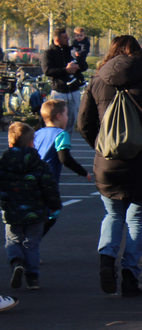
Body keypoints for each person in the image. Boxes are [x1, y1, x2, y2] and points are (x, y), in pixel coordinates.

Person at [79, 35, 142, 297]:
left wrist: (101, 145)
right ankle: (130, 275)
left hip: (108, 162)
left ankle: (106, 259)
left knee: (112, 215)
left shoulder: (97, 81)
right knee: (137, 218)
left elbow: (84, 123)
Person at [2, 122, 60, 291]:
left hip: (12, 211)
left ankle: (16, 262)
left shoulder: (3, 164)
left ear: (10, 143)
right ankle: (32, 278)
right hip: (36, 212)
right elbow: (49, 187)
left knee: (13, 240)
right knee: (32, 244)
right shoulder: (40, 164)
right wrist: (54, 205)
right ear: (31, 143)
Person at [33, 99, 92, 235]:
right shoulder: (61, 134)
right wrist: (82, 172)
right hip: (48, 183)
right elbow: (65, 158)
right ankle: (30, 244)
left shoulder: (38, 133)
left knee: (36, 215)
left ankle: (27, 242)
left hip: (33, 180)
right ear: (58, 116)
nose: (68, 118)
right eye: (66, 114)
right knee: (52, 213)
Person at [40, 28, 84, 133]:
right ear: (57, 40)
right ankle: (56, 141)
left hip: (73, 91)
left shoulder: (71, 51)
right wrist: (66, 70)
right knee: (56, 122)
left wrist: (79, 62)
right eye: (65, 38)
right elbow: (47, 70)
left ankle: (66, 142)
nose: (68, 39)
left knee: (71, 122)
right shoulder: (49, 53)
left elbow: (84, 66)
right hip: (59, 92)